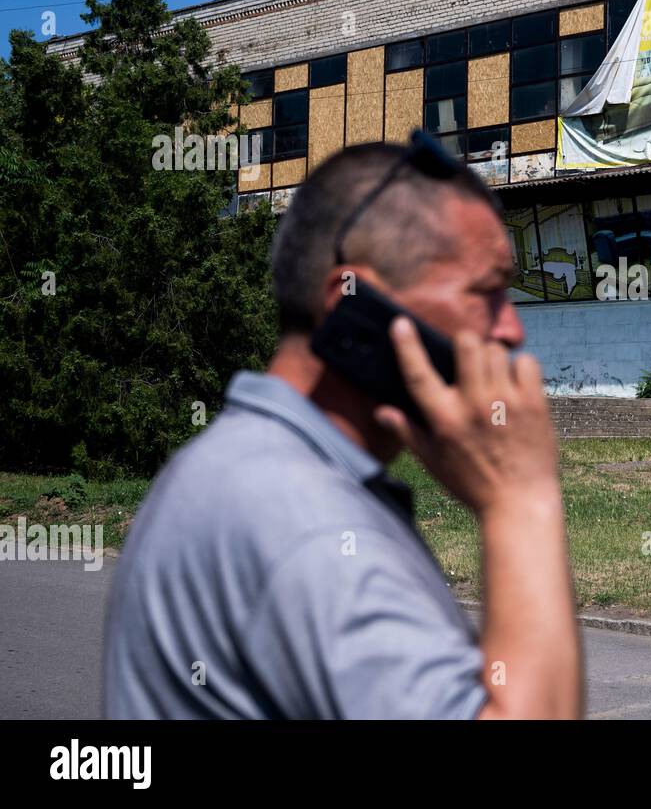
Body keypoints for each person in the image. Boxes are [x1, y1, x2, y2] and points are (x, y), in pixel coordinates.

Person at [103, 134, 583, 719]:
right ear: (352, 303)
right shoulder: (304, 520)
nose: (511, 331)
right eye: (486, 292)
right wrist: (521, 500)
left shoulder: (241, 463)